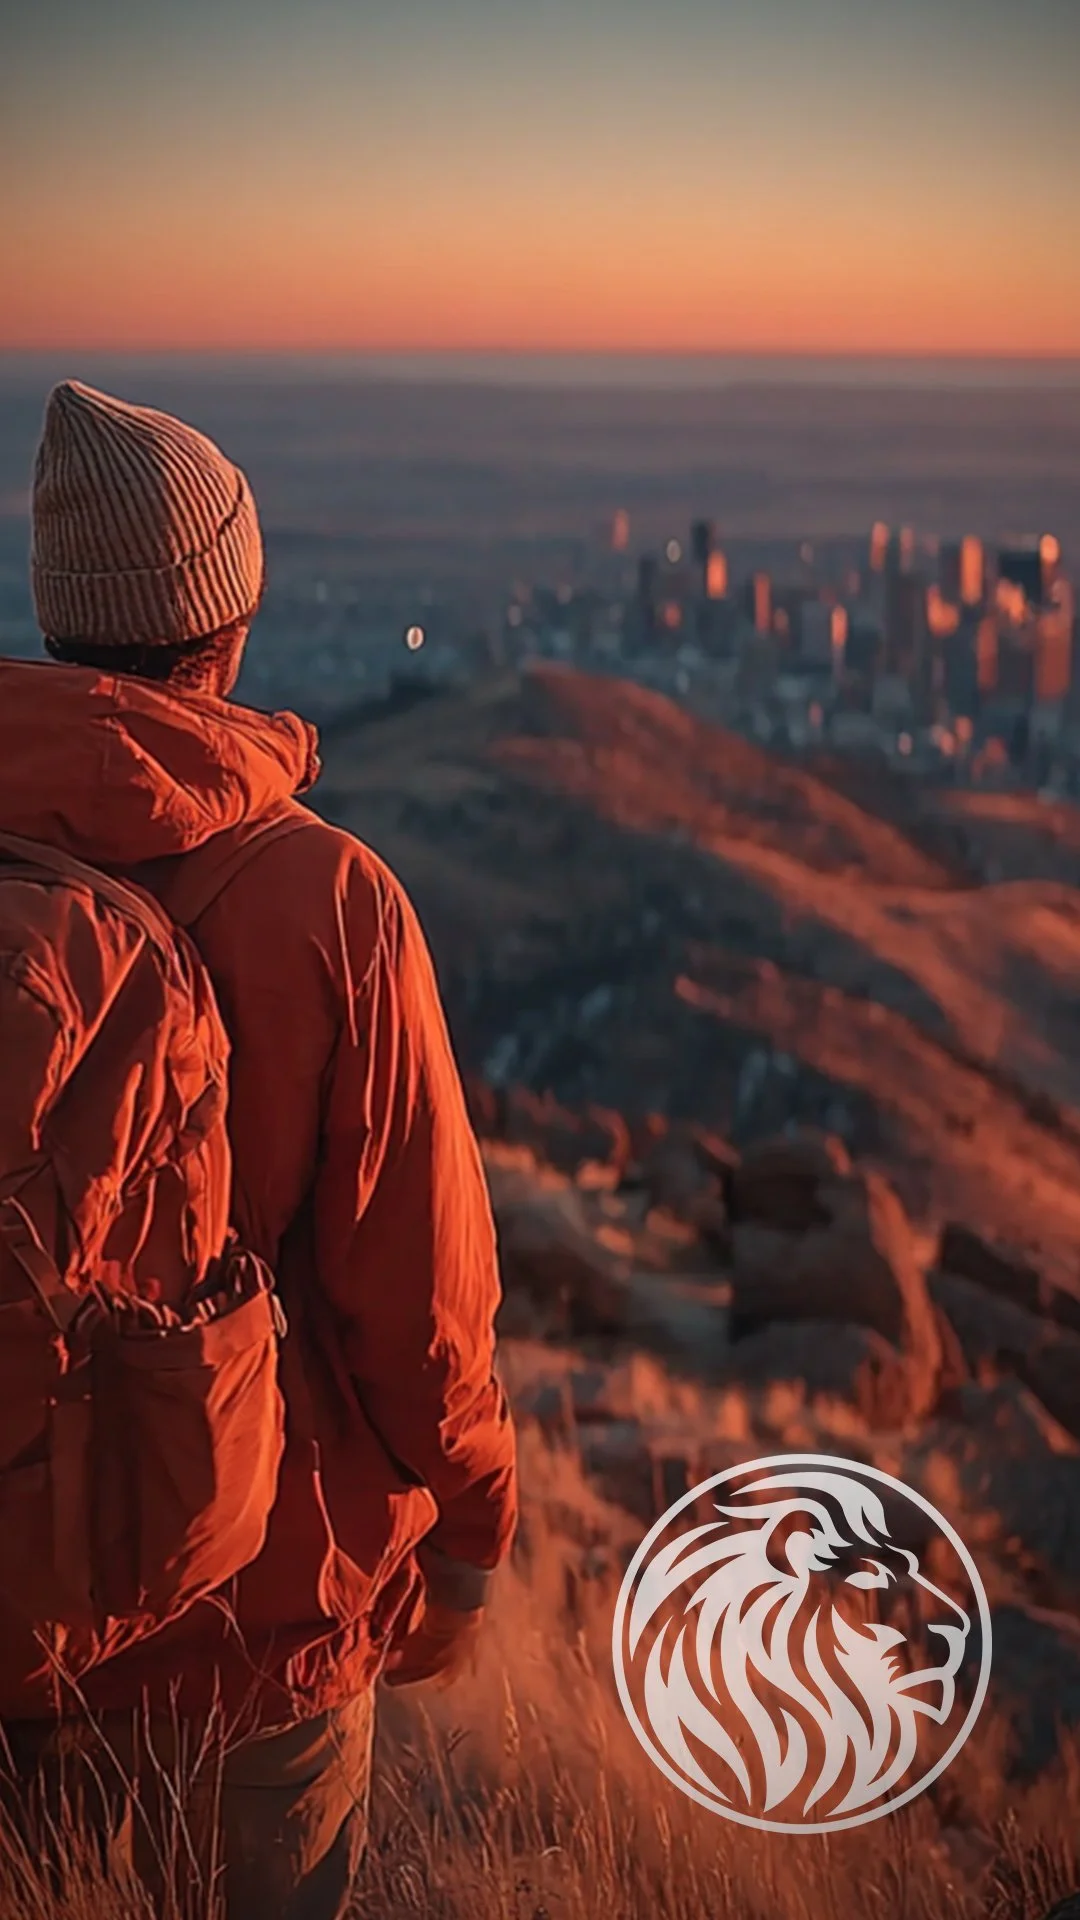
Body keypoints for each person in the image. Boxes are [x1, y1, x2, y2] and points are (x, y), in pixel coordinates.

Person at [0, 381, 518, 1918]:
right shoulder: (331, 904)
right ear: (224, 628)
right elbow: (422, 1313)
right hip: (251, 1659)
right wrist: (477, 1527)